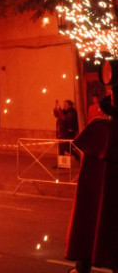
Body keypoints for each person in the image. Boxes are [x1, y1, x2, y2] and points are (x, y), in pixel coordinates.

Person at [65, 94, 118, 273]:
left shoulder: (98, 128)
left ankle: (82, 267)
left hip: (96, 195)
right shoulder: (99, 127)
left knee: (88, 223)